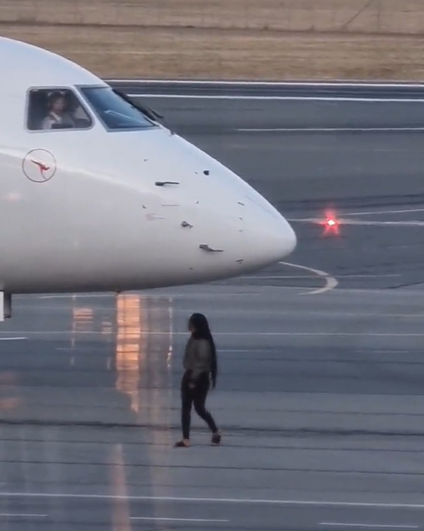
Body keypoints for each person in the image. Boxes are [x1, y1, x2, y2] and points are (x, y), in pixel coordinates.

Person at [174, 313, 221, 447]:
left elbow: (201, 363)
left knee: (199, 408)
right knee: (186, 408)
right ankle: (186, 438)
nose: (188, 325)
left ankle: (215, 431)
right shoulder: (194, 338)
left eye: (191, 323)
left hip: (198, 378)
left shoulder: (202, 342)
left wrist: (193, 379)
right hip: (190, 374)